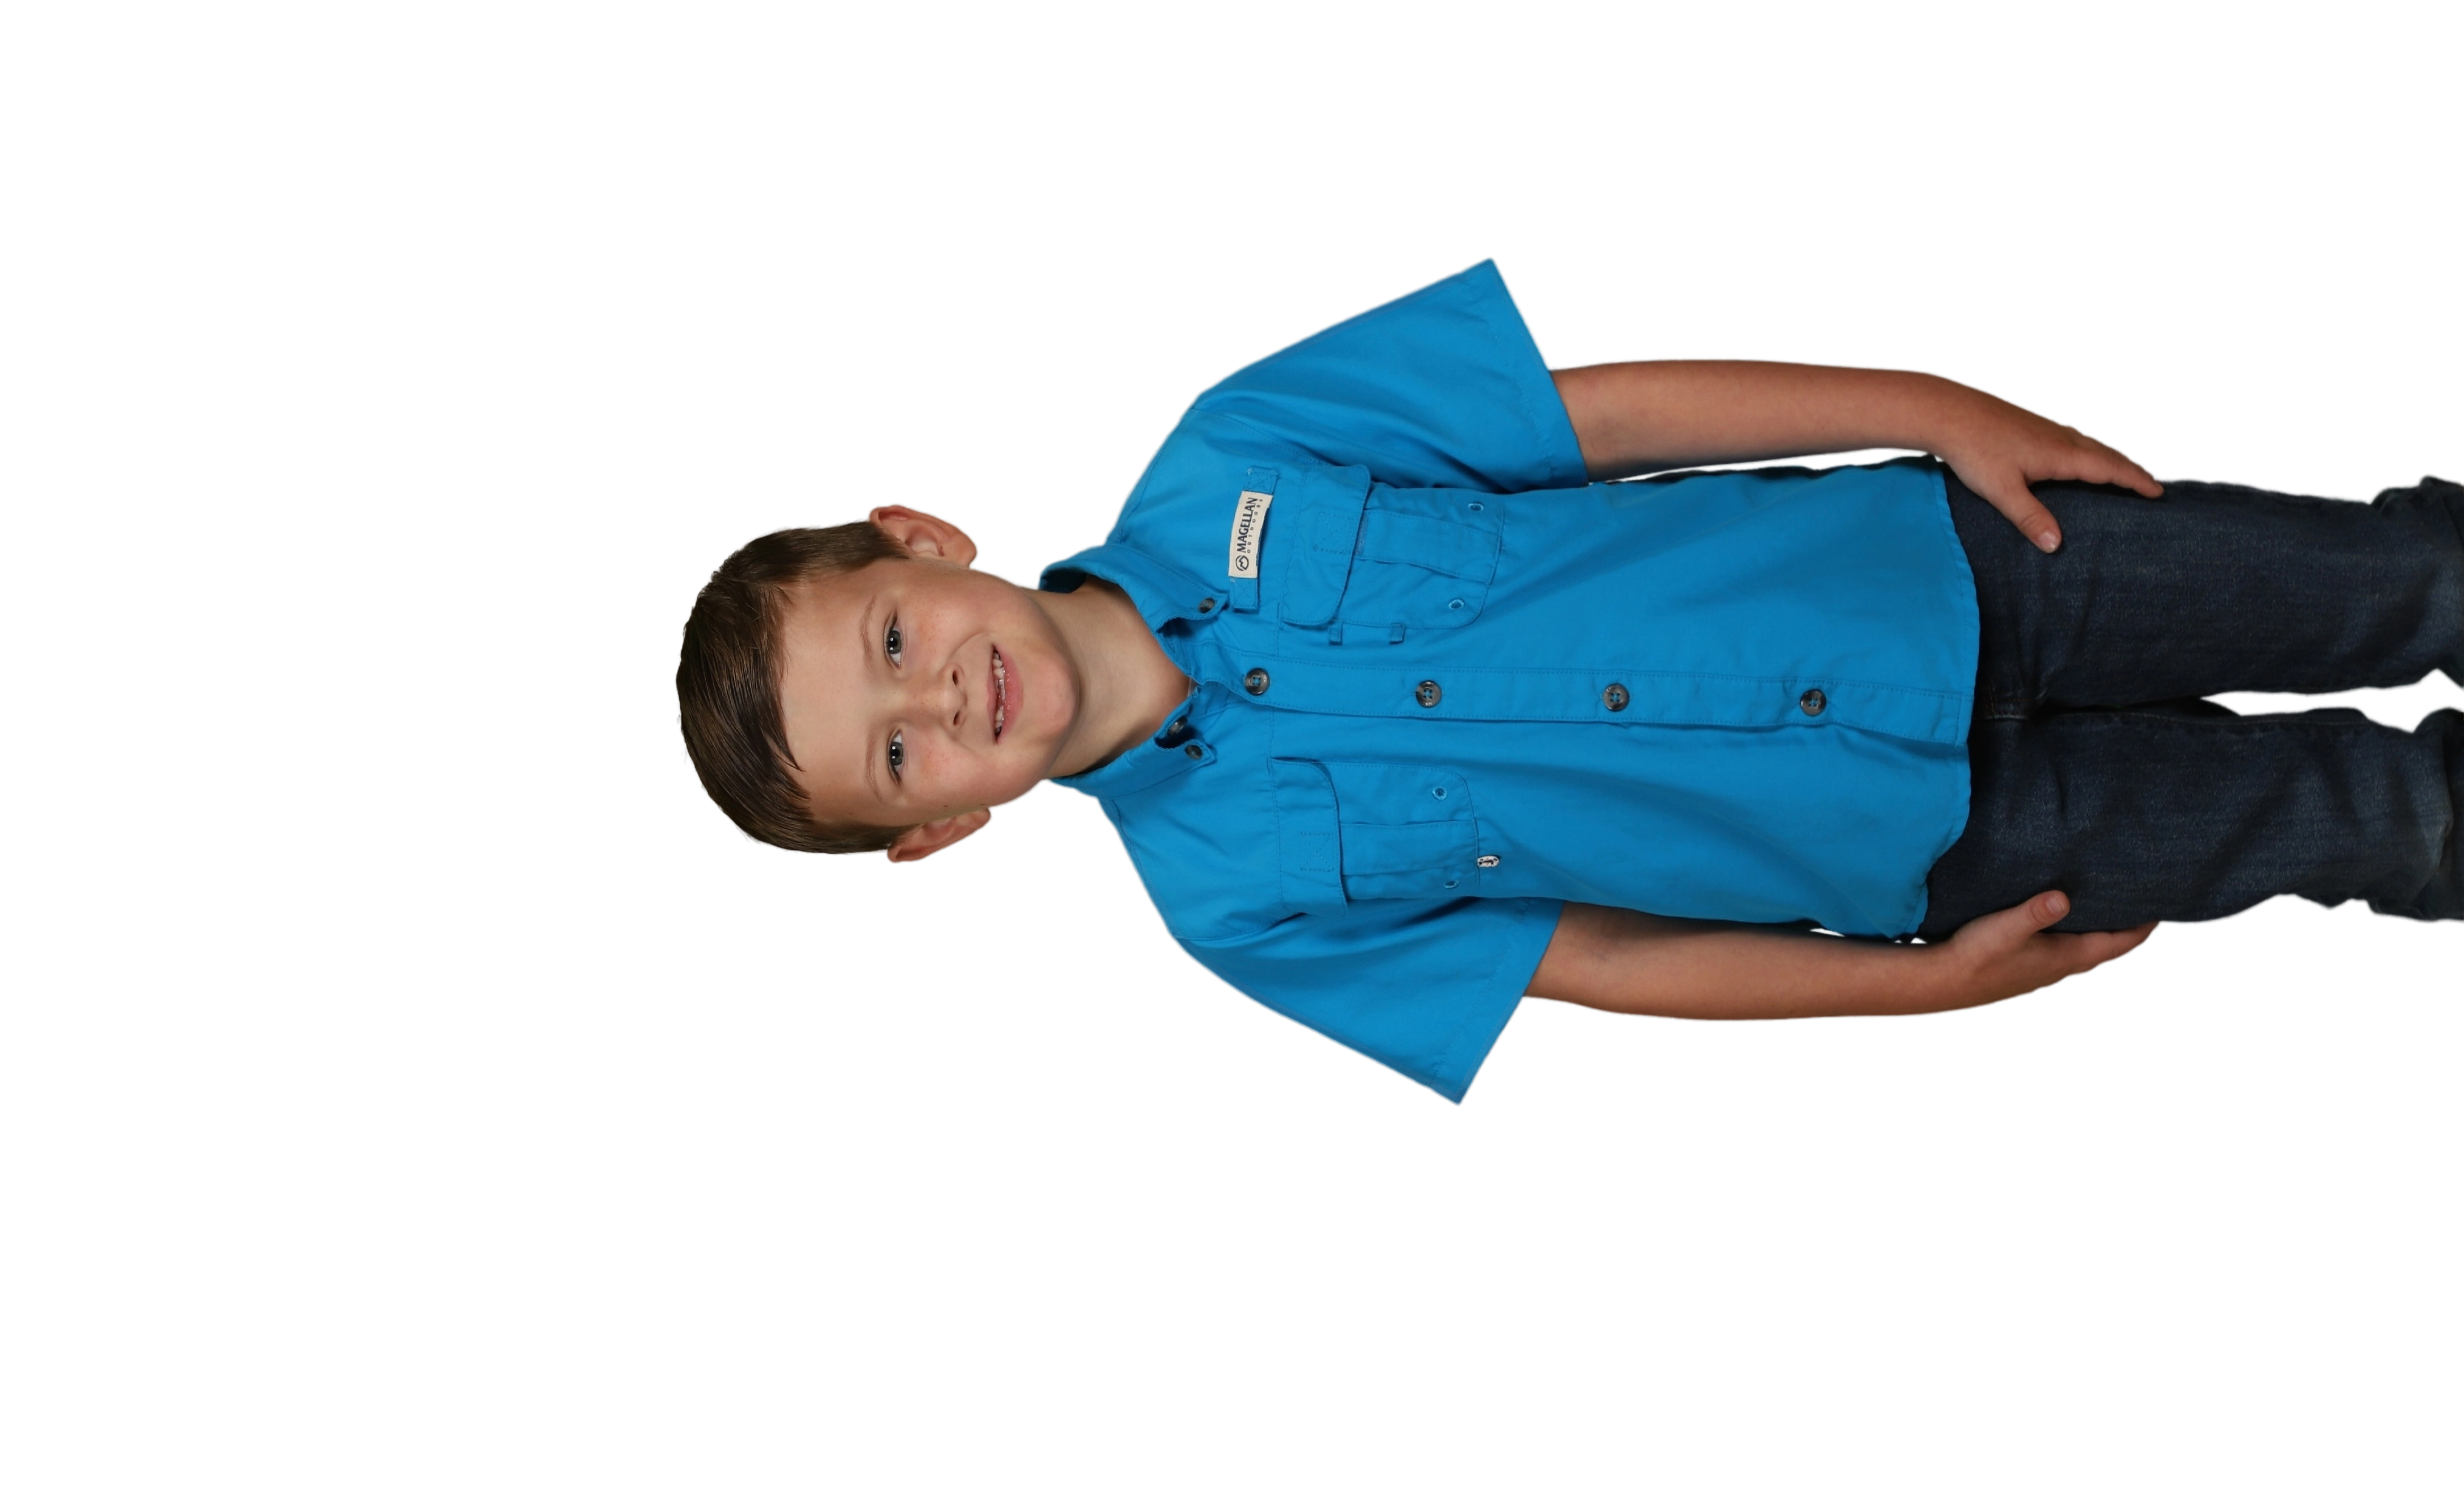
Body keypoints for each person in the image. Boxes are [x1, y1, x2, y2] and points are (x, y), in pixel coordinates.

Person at [671, 255, 2464, 1105]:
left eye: (888, 644)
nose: (940, 703)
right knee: (2378, 827)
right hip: (1943, 854)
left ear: (919, 537)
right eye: (895, 759)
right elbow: (1604, 962)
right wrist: (1913, 993)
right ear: (940, 835)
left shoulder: (1241, 444)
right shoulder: (1235, 913)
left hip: (1965, 563)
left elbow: (1615, 418)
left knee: (2394, 583)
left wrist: (1931, 410)